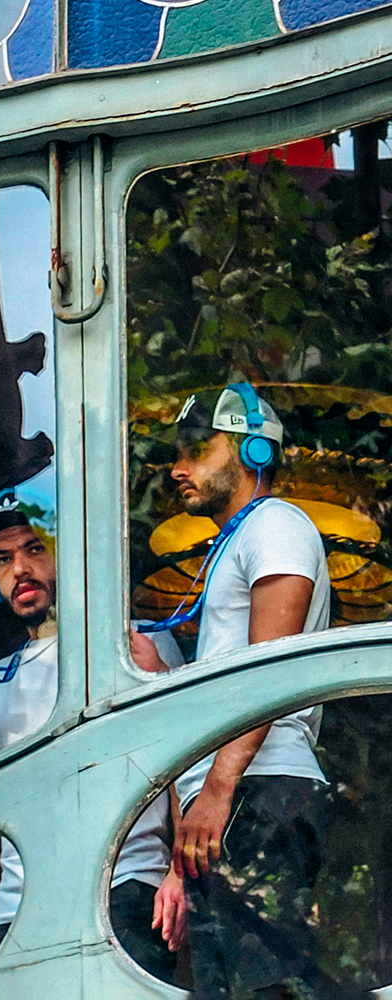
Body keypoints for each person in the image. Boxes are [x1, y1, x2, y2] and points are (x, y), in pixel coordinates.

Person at [0, 492, 184, 980]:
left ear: (62, 556)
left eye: (34, 549)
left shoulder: (133, 643)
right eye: (3, 559)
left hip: (124, 888)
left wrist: (179, 876)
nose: (20, 568)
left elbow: (182, 759)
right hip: (18, 913)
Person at [129, 384, 343, 999]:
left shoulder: (276, 524)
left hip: (260, 790)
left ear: (252, 449)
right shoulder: (233, 543)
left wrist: (219, 790)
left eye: (198, 449)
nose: (178, 468)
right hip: (228, 801)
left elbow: (268, 671)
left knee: (266, 989)